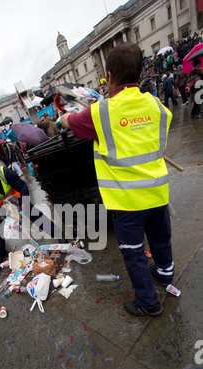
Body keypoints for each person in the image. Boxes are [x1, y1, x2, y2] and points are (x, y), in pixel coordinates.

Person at [59, 42, 174, 317]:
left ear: (108, 76)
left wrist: (64, 116)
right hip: (157, 193)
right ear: (140, 71)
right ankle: (165, 275)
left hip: (127, 202)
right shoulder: (157, 106)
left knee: (134, 253)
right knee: (161, 240)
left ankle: (148, 303)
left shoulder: (100, 113)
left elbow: (68, 122)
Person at [0, 160, 64, 265]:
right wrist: (3, 217)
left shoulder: (4, 172)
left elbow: (22, 186)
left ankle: (57, 233)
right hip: (0, 208)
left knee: (34, 213)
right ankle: (1, 252)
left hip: (17, 201)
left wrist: (24, 203)